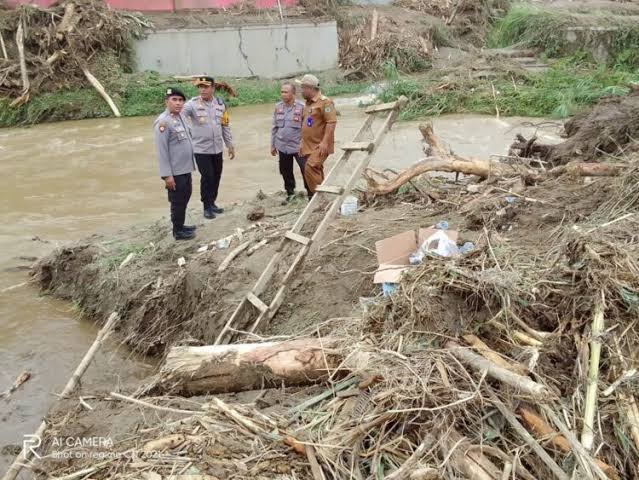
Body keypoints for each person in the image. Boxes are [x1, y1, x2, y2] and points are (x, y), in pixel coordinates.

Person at [183, 76, 235, 219]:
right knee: (207, 177)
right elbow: (179, 116)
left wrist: (230, 145)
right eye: (200, 87)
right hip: (201, 149)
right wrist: (189, 132)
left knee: (216, 176)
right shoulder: (192, 105)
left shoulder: (220, 104)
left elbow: (225, 125)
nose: (202, 90)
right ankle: (206, 206)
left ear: (212, 88)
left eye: (206, 87)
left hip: (217, 148)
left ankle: (212, 203)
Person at [154, 87, 197, 241]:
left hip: (185, 168)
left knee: (185, 196)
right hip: (174, 172)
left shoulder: (180, 118)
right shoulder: (163, 122)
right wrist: (167, 176)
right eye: (174, 100)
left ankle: (181, 225)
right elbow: (162, 151)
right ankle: (177, 231)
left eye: (180, 100)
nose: (178, 103)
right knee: (177, 201)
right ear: (167, 102)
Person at [297, 74, 337, 198]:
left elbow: (331, 122)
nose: (301, 91)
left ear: (311, 88)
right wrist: (301, 142)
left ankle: (319, 198)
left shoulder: (325, 102)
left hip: (320, 144)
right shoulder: (308, 104)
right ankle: (322, 197)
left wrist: (325, 142)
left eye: (303, 88)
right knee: (316, 170)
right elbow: (305, 124)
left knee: (310, 167)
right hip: (308, 145)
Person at [270, 81, 309, 203]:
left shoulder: (302, 108)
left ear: (293, 94)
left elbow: (308, 127)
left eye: (286, 92)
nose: (283, 94)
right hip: (282, 146)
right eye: (282, 92)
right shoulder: (278, 107)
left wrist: (306, 143)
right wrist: (272, 145)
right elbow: (274, 127)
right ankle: (290, 193)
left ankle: (311, 193)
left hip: (298, 146)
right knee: (285, 171)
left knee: (306, 170)